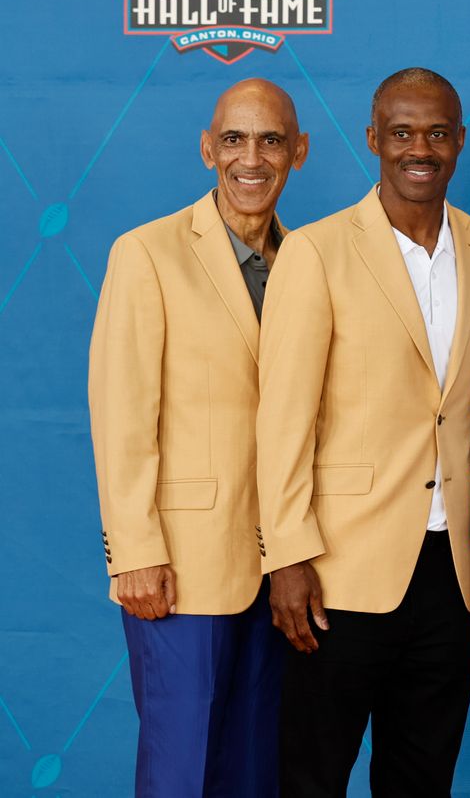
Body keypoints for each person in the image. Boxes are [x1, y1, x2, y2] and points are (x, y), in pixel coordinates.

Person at [255, 67, 470, 795]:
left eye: (435, 132)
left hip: (449, 572)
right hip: (337, 570)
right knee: (313, 775)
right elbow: (283, 417)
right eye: (401, 132)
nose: (417, 147)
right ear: (373, 139)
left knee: (422, 777)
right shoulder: (318, 250)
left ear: (460, 141)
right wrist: (288, 556)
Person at [88, 78, 308, 796]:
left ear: (298, 153)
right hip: (181, 570)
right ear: (208, 148)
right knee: (181, 769)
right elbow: (121, 415)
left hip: (284, 572)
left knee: (257, 767)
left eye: (271, 140)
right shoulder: (147, 254)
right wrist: (137, 553)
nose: (252, 158)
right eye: (236, 139)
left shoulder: (312, 263)